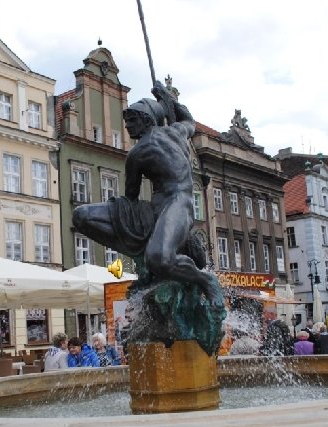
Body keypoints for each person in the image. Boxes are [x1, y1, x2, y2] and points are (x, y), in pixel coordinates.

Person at [72, 80, 223, 307]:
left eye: (132, 121)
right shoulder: (172, 134)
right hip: (156, 208)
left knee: (159, 259)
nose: (128, 127)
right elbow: (187, 120)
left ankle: (205, 280)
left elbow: (131, 195)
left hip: (178, 205)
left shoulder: (147, 148)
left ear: (146, 120)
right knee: (82, 215)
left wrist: (166, 98)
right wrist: (168, 99)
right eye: (126, 122)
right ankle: (144, 259)